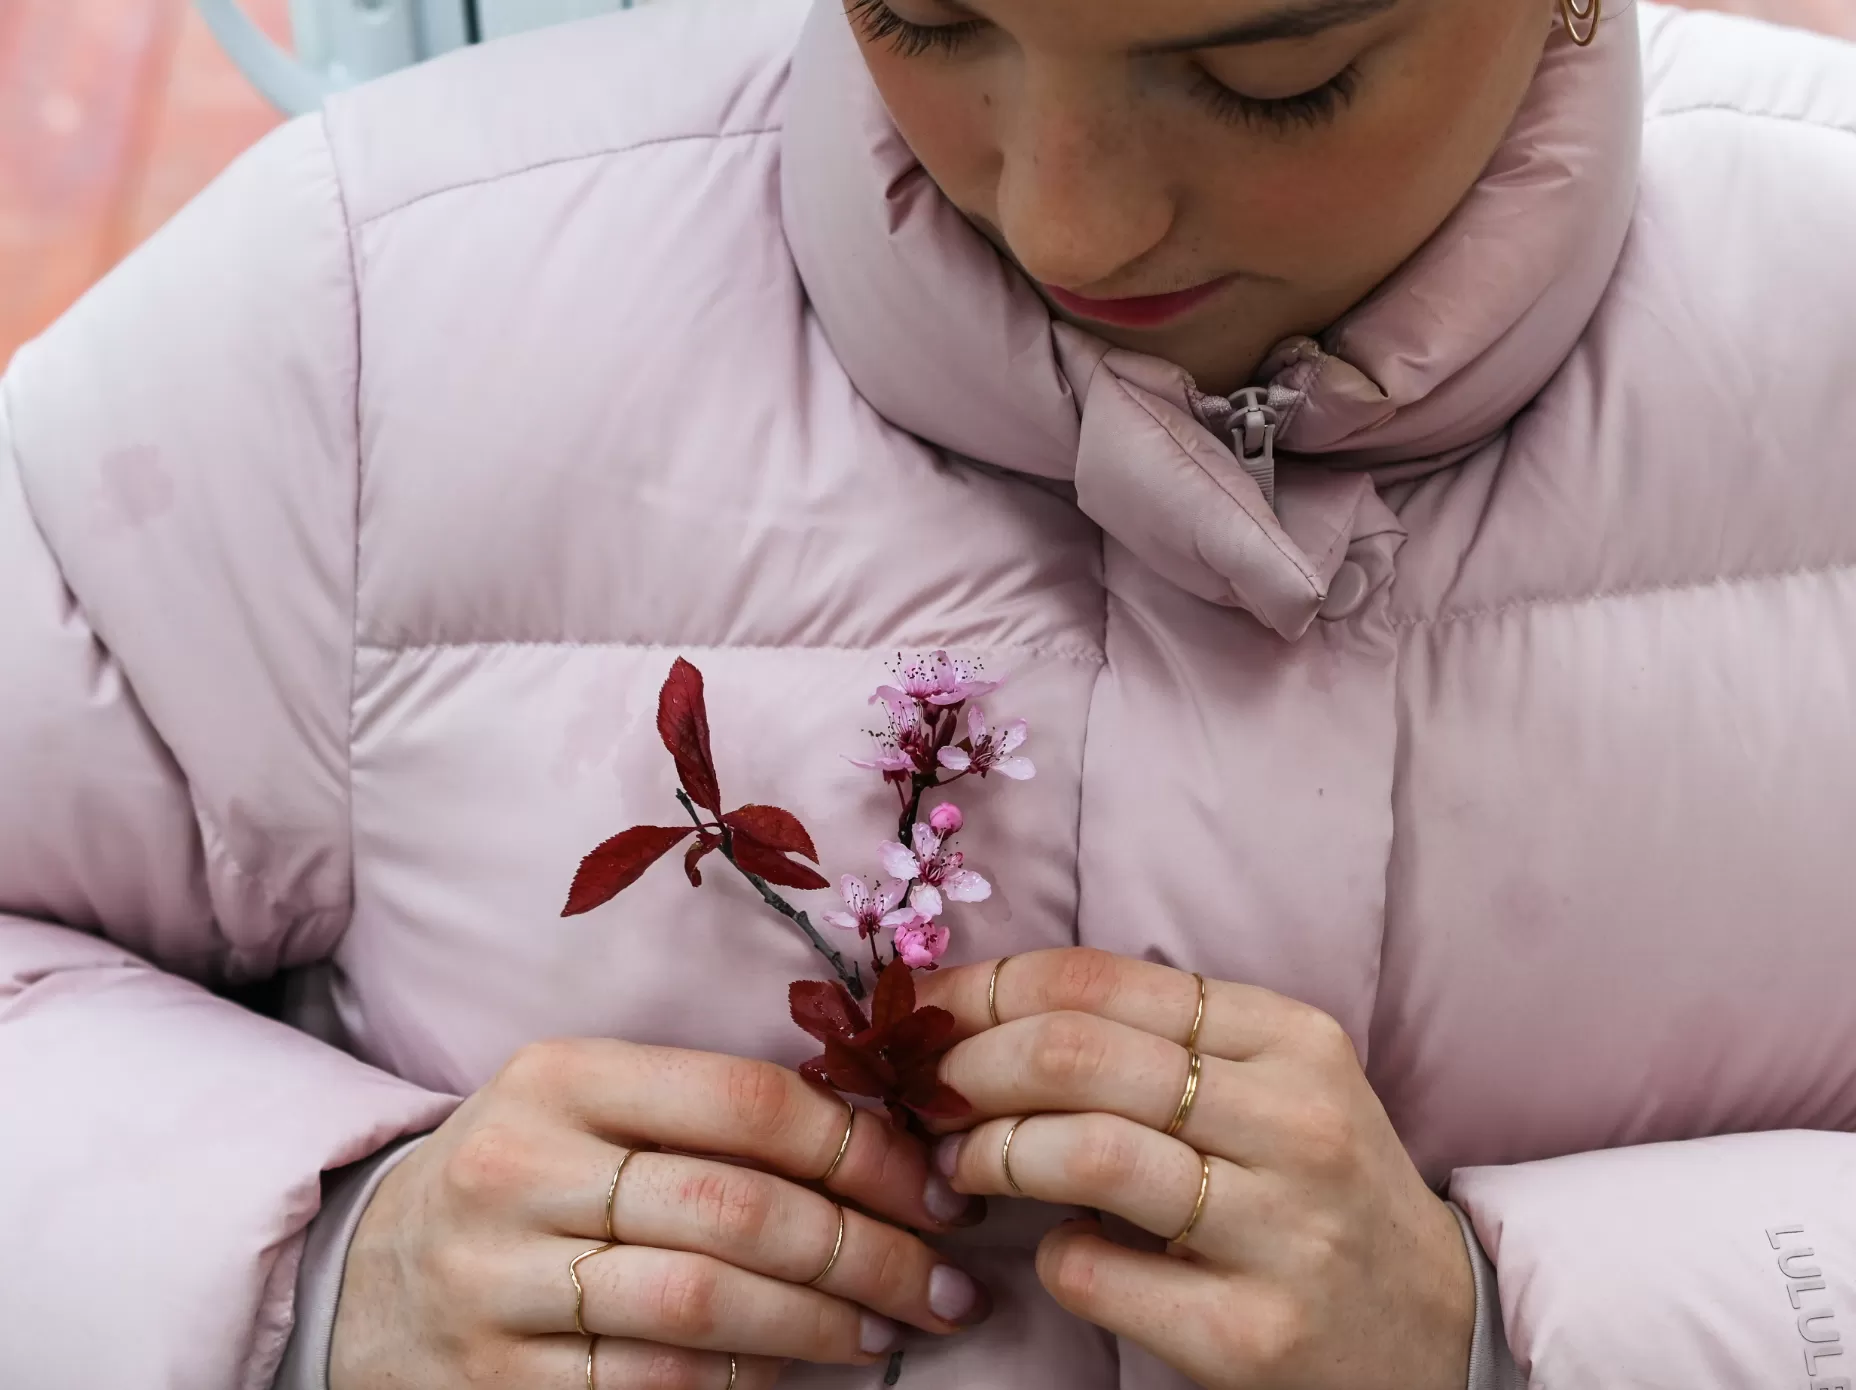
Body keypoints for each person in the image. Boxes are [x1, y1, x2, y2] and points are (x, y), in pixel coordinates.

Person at [3, 0, 1854, 1384]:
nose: (1073, 223)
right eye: (928, 16)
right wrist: (322, 1275)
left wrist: (1529, 1327)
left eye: (1276, 69)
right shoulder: (373, 317)